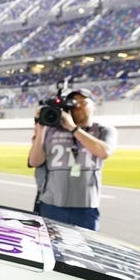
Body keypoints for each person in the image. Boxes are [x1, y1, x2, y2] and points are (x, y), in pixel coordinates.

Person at [27, 88, 116, 231]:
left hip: (85, 207)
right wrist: (41, 129)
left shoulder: (103, 130)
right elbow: (34, 162)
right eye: (74, 103)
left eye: (83, 102)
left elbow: (104, 152)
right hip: (51, 205)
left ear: (94, 105)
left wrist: (73, 128)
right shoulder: (52, 130)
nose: (78, 106)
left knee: (83, 250)